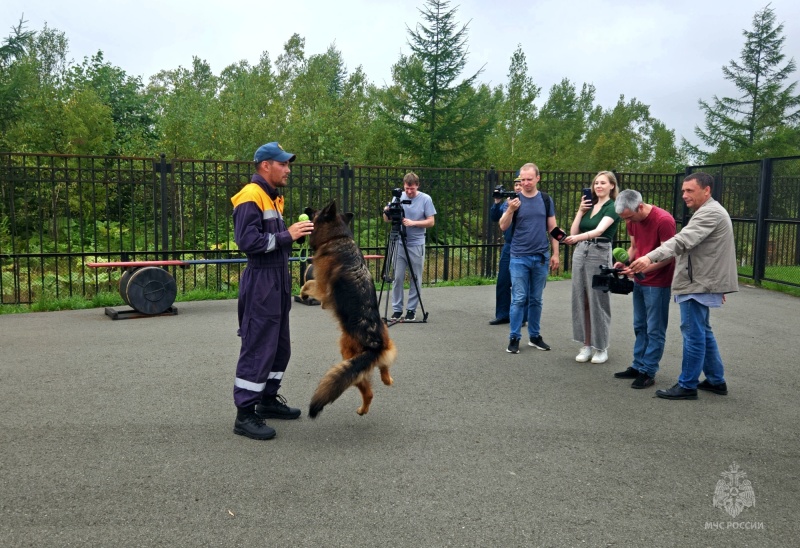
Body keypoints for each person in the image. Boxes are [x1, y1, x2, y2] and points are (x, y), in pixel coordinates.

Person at [230, 142, 314, 440]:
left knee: (279, 346)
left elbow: (273, 238)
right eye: (283, 164)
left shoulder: (272, 197)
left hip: (277, 279)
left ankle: (266, 400)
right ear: (266, 165)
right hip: (262, 281)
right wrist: (285, 235)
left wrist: (294, 236)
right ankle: (245, 415)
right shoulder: (251, 196)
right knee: (258, 346)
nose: (288, 169)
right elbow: (248, 242)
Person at [629, 172, 738, 400]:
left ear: (706, 190)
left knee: (693, 333)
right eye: (683, 191)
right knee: (703, 332)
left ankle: (687, 385)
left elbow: (681, 240)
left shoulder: (710, 213)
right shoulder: (709, 211)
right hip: (702, 281)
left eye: (689, 190)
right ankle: (716, 380)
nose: (684, 195)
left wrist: (649, 258)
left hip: (697, 283)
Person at [611, 190, 676, 389]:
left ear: (640, 206)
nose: (628, 222)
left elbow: (669, 256)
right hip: (640, 279)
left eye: (629, 217)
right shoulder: (632, 219)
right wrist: (624, 263)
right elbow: (633, 247)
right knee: (640, 325)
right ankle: (638, 365)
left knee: (655, 328)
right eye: (624, 219)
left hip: (658, 282)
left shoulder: (664, 220)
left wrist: (644, 267)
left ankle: (649, 371)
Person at [498, 162, 560, 354]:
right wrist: (510, 210)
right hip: (518, 257)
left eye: (529, 179)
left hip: (540, 256)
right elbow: (502, 226)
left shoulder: (546, 200)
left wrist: (556, 253)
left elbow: (553, 228)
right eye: (522, 179)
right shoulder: (513, 201)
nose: (525, 183)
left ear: (537, 179)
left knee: (536, 299)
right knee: (518, 298)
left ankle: (534, 336)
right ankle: (514, 337)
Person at [562, 171, 621, 364]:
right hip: (581, 251)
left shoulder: (613, 207)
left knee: (598, 299)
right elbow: (573, 231)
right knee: (581, 298)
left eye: (603, 183)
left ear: (612, 186)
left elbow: (600, 230)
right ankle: (586, 344)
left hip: (599, 251)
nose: (598, 186)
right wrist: (580, 211)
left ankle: (601, 347)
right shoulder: (590, 206)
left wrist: (577, 238)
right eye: (596, 183)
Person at [382, 172, 437, 321]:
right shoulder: (398, 197)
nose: (409, 192)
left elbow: (431, 221)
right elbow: (386, 220)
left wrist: (414, 223)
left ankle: (411, 310)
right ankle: (397, 309)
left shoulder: (425, 199)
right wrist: (386, 211)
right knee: (398, 277)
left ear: (417, 186)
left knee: (415, 278)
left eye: (411, 189)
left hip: (416, 243)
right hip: (399, 242)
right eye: (406, 188)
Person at [488, 177, 527, 326]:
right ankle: (503, 314)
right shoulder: (508, 202)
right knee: (503, 281)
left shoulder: (530, 202)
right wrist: (497, 202)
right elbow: (494, 217)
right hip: (509, 245)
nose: (518, 187)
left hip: (524, 247)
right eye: (516, 185)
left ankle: (522, 316)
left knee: (521, 283)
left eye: (520, 185)